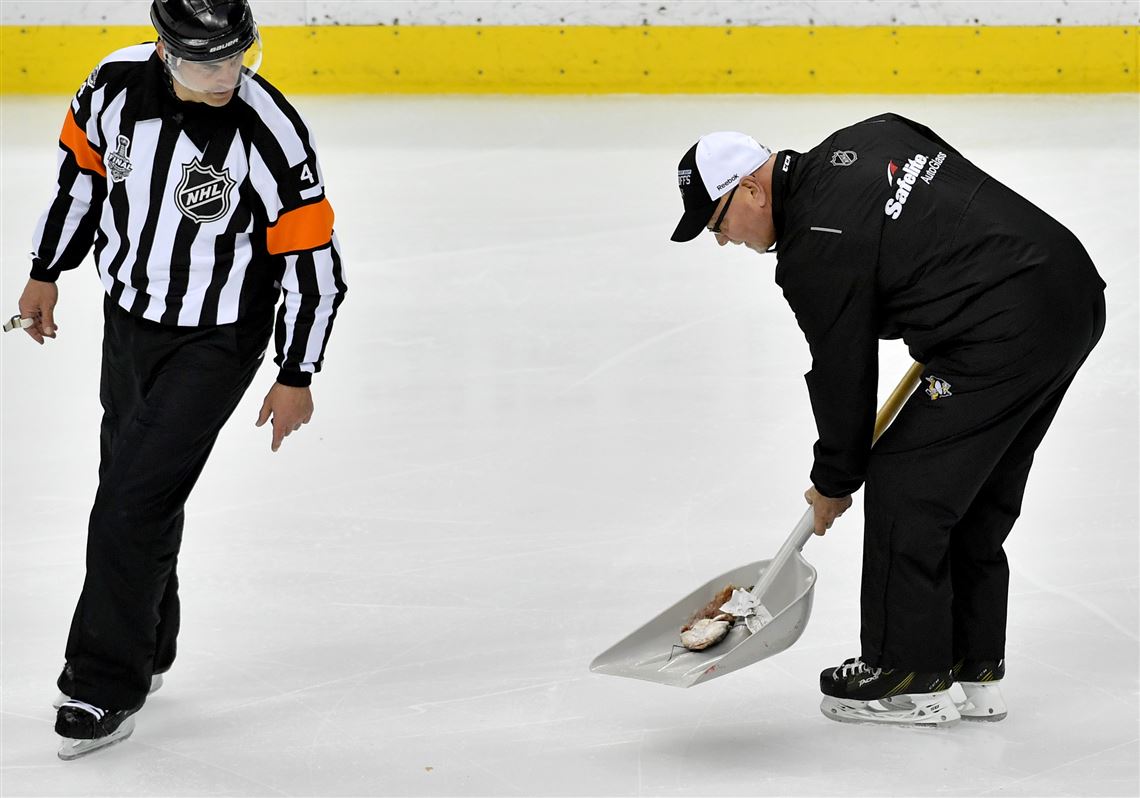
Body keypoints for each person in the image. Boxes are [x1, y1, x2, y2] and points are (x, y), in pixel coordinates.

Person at [669, 116, 1105, 726]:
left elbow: (844, 373)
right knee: (971, 492)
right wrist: (948, 287)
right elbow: (942, 176)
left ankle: (905, 672)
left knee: (906, 480)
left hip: (1001, 329)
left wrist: (835, 481)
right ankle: (971, 666)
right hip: (1068, 290)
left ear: (751, 190)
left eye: (717, 224)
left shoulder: (812, 250)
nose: (722, 241)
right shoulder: (870, 135)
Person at [12, 0, 347, 759]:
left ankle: (102, 683)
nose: (225, 77)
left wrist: (296, 372)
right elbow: (82, 179)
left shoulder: (272, 133)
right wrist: (46, 270)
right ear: (165, 53)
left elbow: (315, 267)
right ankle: (152, 642)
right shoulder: (111, 84)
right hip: (129, 321)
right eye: (204, 63)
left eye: (237, 58)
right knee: (131, 487)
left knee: (129, 505)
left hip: (218, 340)